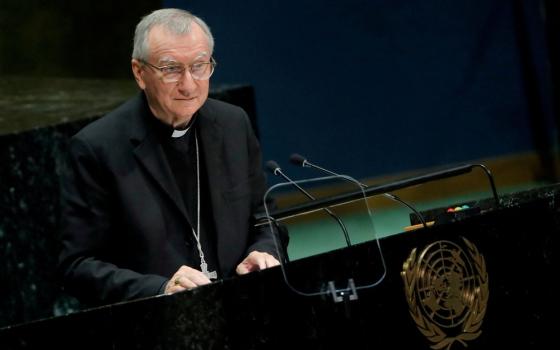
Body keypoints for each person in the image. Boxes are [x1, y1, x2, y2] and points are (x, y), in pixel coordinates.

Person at [58, 8, 282, 306]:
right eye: (171, 69)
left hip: (240, 309)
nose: (189, 85)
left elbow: (264, 217)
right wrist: (160, 289)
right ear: (139, 72)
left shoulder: (233, 125)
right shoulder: (97, 148)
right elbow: (77, 266)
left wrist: (266, 251)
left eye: (200, 66)